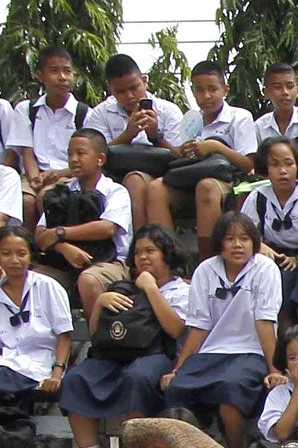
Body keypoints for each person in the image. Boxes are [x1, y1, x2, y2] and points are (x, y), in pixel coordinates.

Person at [162, 211, 279, 448]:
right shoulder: (205, 270)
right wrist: (178, 367)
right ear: (219, 243)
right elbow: (199, 325)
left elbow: (265, 321)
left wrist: (274, 368)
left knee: (230, 392)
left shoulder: (265, 269)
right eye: (230, 239)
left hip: (251, 352)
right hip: (211, 353)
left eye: (245, 239)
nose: (238, 245)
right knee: (176, 388)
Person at [151, 60, 257, 257]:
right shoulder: (191, 121)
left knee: (206, 186)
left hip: (226, 181)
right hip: (189, 179)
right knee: (156, 188)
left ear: (225, 90)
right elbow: (178, 156)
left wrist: (216, 147)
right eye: (199, 90)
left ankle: (208, 262)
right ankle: (169, 261)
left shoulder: (239, 117)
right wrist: (176, 148)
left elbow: (248, 164)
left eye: (212, 89)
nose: (206, 96)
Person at [31, 129, 131, 310]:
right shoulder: (61, 191)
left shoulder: (115, 191)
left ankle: (97, 336)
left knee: (88, 280)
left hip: (110, 263)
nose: (73, 159)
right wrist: (63, 247)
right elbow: (40, 236)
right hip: (65, 265)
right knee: (29, 278)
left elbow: (107, 228)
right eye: (70, 154)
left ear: (100, 159)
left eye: (81, 153)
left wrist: (60, 233)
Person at [84, 55, 184, 231]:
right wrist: (128, 134)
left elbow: (179, 156)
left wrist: (155, 136)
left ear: (144, 81)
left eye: (134, 87)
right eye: (121, 92)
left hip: (162, 175)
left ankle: (142, 246)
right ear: (111, 90)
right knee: (135, 181)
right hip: (112, 175)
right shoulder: (100, 113)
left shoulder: (168, 111)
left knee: (136, 181)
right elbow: (93, 155)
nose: (130, 96)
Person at [10, 48, 90, 227]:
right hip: (32, 174)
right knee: (25, 202)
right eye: (54, 71)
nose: (62, 77)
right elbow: (26, 151)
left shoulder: (84, 114)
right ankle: (29, 251)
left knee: (47, 197)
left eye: (67, 71)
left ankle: (51, 249)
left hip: (70, 175)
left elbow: (87, 158)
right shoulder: (27, 109)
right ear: (40, 75)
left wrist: (58, 174)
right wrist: (34, 178)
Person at [241, 137, 298, 320]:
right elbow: (243, 231)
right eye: (274, 165)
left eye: (288, 163)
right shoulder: (257, 197)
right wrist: (259, 245)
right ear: (265, 169)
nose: (283, 171)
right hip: (273, 258)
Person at [0, 221, 72, 412]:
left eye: (21, 253)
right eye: (6, 253)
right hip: (5, 363)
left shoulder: (48, 286)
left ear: (31, 255)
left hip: (37, 364)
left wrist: (57, 374)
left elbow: (63, 334)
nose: (14, 260)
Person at [254, 62, 298, 179]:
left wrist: (286, 163)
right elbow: (255, 162)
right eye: (278, 87)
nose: (285, 92)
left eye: (290, 86)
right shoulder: (259, 126)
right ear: (266, 92)